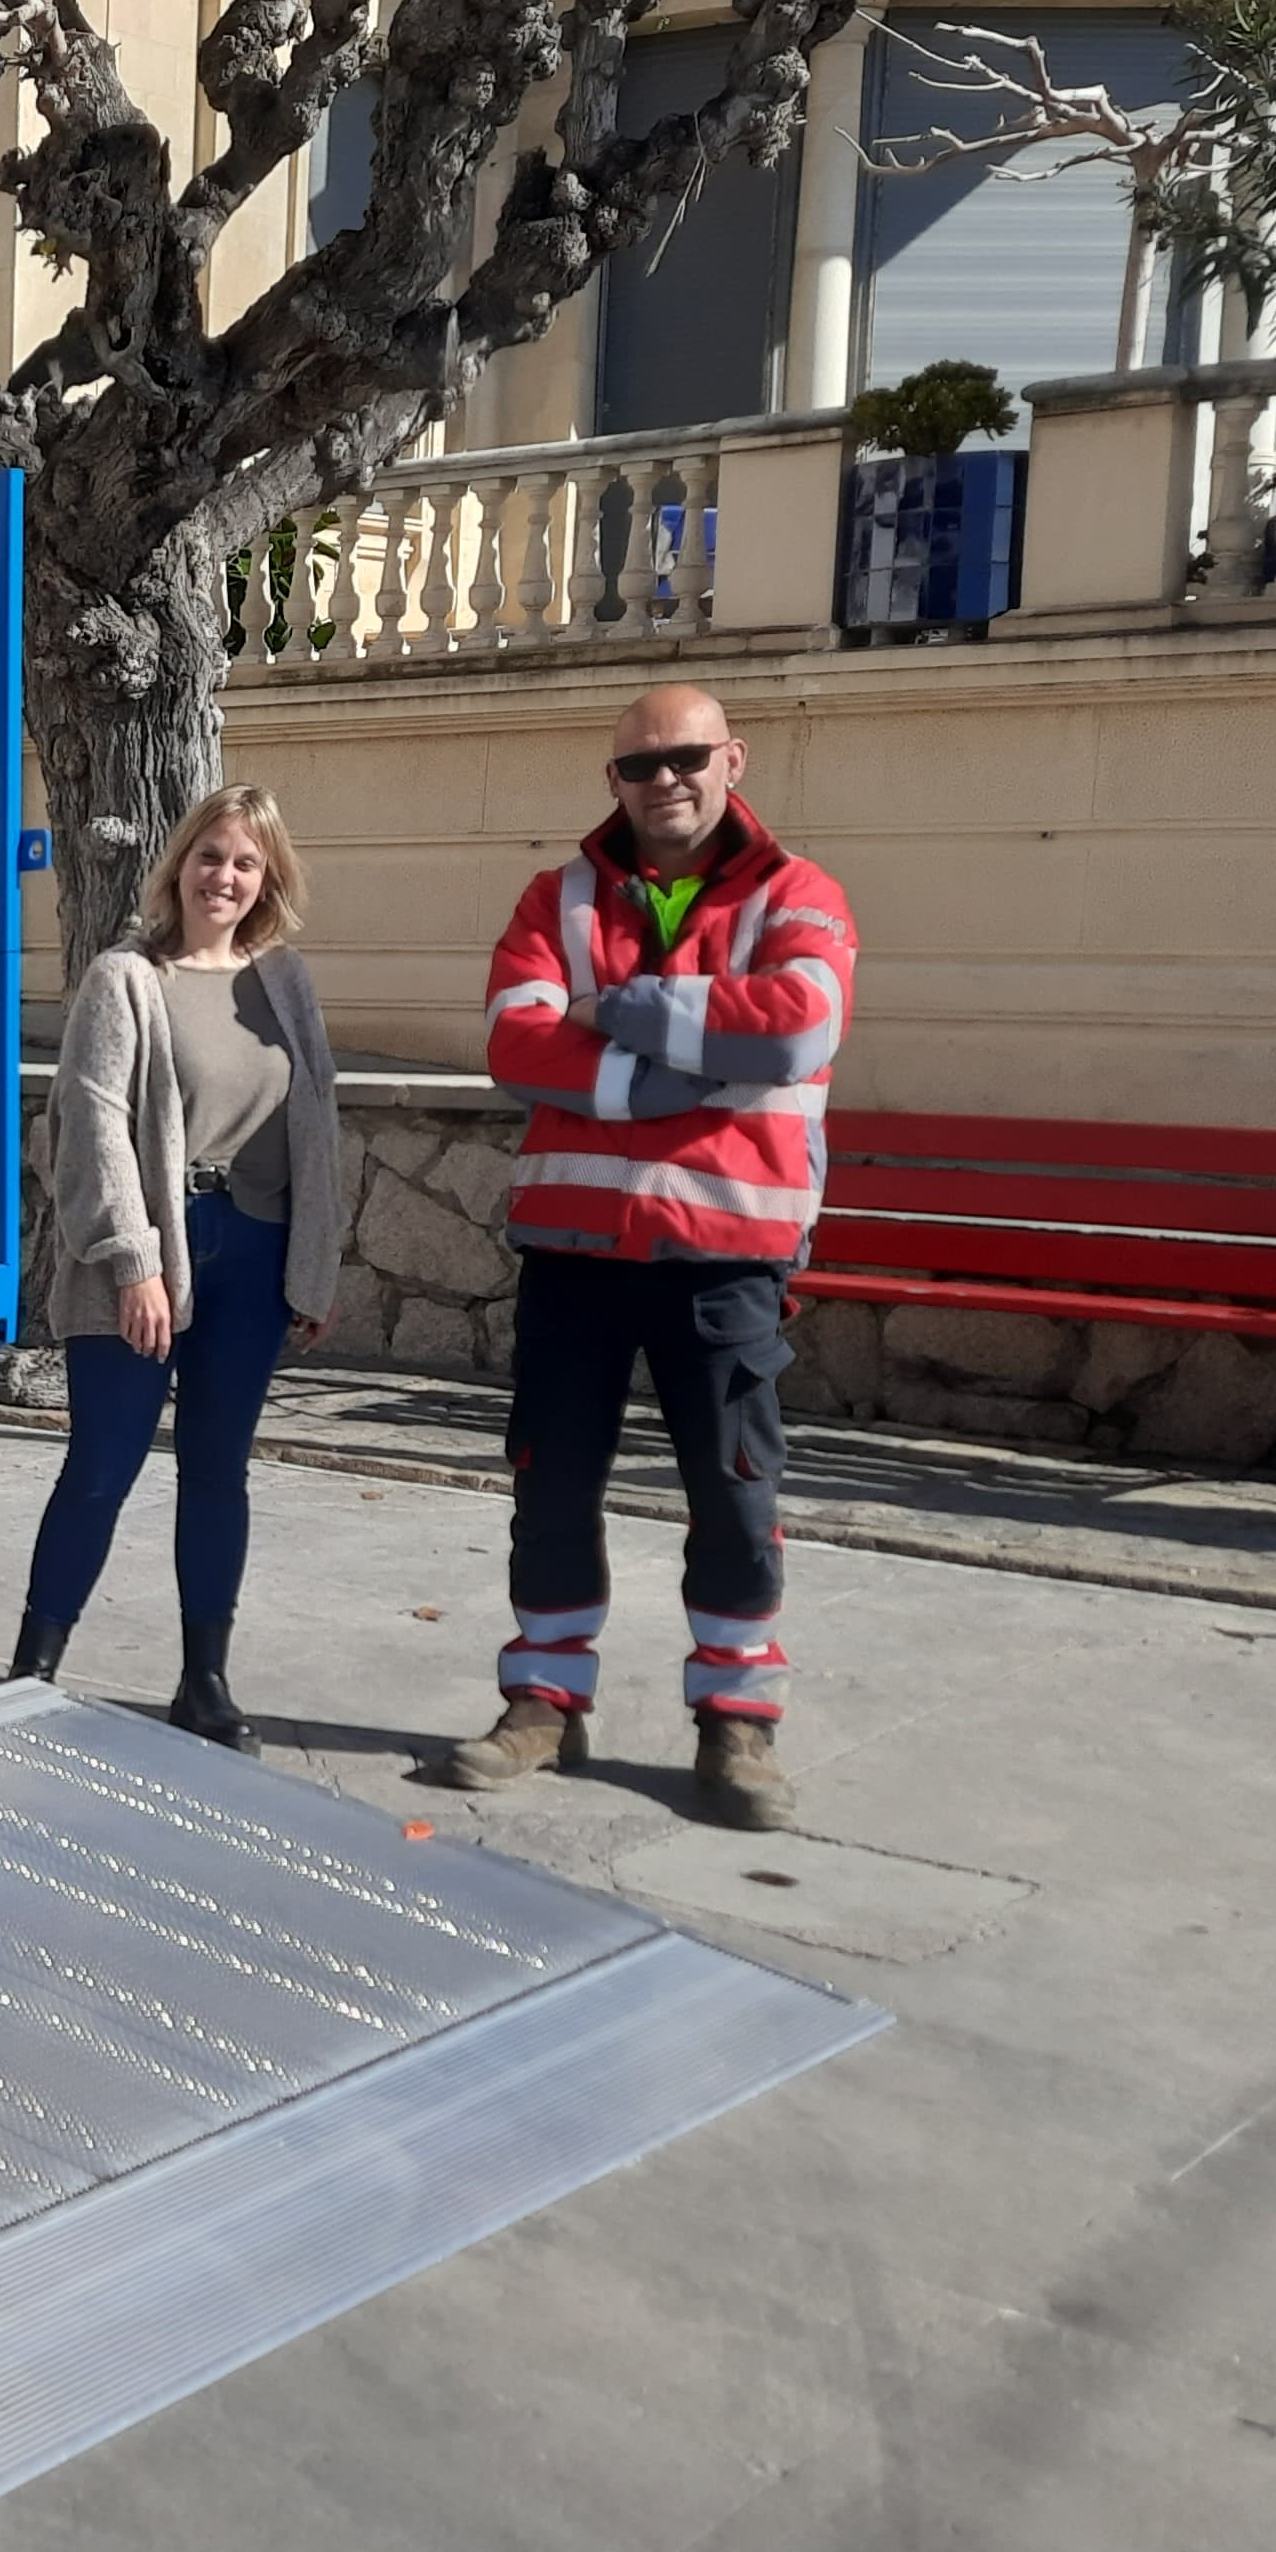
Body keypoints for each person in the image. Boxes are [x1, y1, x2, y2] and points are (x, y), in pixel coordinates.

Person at [440, 684, 857, 1831]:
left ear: (731, 758)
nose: (663, 780)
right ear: (610, 779)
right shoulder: (555, 893)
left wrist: (615, 1008)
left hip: (727, 1257)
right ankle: (542, 1701)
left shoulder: (797, 891)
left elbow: (796, 1028)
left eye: (685, 758)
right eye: (637, 765)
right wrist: (690, 1066)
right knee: (551, 1487)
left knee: (733, 1494)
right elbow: (512, 1043)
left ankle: (736, 1725)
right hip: (574, 1252)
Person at [12, 781, 346, 1746]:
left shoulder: (285, 983)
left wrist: (314, 1266)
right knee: (101, 1466)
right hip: (156, 1250)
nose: (226, 877)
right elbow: (91, 1127)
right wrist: (132, 1263)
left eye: (247, 862)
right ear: (179, 865)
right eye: (211, 857)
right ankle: (27, 1676)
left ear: (268, 878)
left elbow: (318, 1124)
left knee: (218, 1473)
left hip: (256, 1251)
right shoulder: (126, 977)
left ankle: (205, 1683)